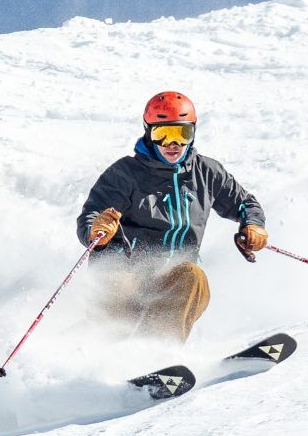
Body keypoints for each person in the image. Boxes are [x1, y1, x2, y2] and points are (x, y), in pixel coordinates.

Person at [76, 91, 267, 342]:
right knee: (118, 288)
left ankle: (156, 356)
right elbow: (91, 216)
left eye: (182, 133)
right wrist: (96, 230)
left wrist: (253, 224)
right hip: (125, 276)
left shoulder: (207, 172)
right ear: (148, 132)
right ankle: (86, 350)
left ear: (193, 132)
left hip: (171, 283)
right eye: (162, 134)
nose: (172, 144)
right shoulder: (125, 173)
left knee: (193, 276)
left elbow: (245, 203)